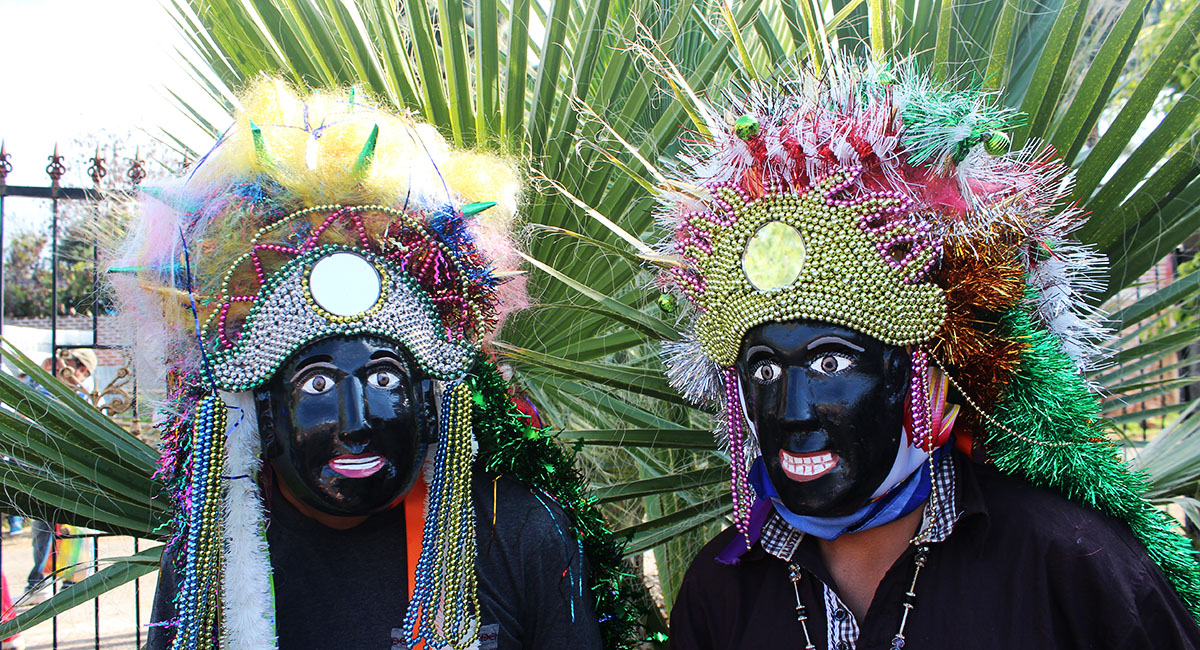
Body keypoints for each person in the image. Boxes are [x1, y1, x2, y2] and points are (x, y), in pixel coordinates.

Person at [648, 59, 1200, 648]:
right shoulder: (721, 592)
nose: (792, 410)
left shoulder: (1070, 567)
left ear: (933, 375)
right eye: (763, 369)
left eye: (831, 362)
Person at [108, 80, 633, 650]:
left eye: (384, 379)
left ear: (432, 401)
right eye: (317, 382)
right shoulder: (207, 564)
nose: (356, 422)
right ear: (260, 405)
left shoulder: (518, 533)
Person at [20, 348, 97, 606]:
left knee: (71, 526)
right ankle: (38, 582)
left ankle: (72, 581)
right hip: (41, 466)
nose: (67, 367)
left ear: (83, 371)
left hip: (70, 469)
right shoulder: (43, 383)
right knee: (43, 525)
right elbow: (24, 404)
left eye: (74, 364)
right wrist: (44, 369)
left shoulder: (85, 397)